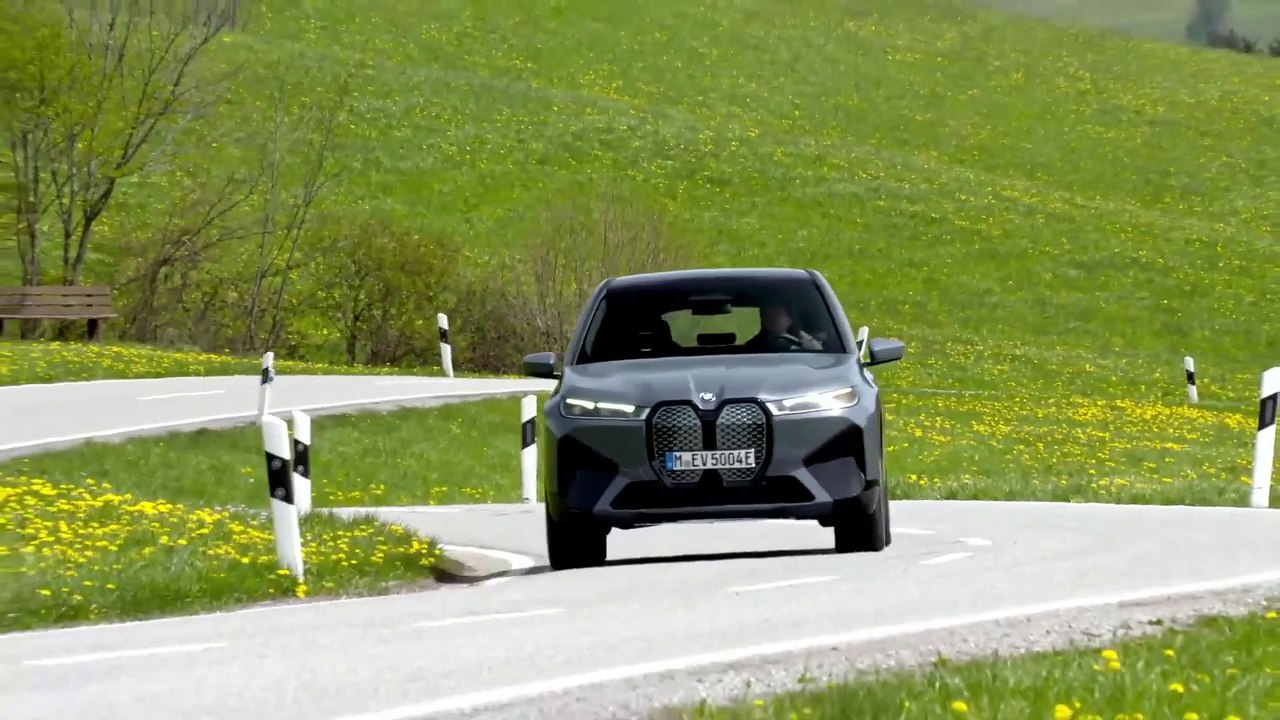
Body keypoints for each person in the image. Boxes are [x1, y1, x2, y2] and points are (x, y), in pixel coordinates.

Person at [744, 304, 824, 351]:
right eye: (769, 315)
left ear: (789, 320)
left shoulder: (803, 340)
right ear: (762, 319)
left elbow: (818, 351)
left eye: (778, 315)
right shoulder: (754, 345)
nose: (773, 319)